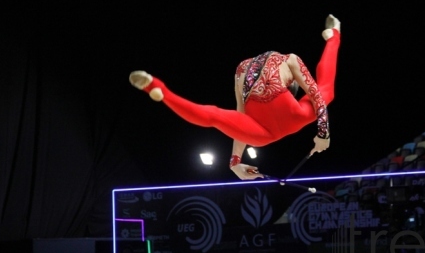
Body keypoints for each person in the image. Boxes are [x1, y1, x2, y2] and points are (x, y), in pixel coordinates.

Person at [129, 14, 341, 180]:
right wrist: (323, 135)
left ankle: (160, 90)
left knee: (215, 116)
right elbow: (317, 97)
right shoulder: (291, 60)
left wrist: (235, 161)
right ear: (292, 85)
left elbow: (240, 117)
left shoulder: (241, 69)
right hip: (287, 119)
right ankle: (333, 37)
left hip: (259, 130)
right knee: (325, 90)